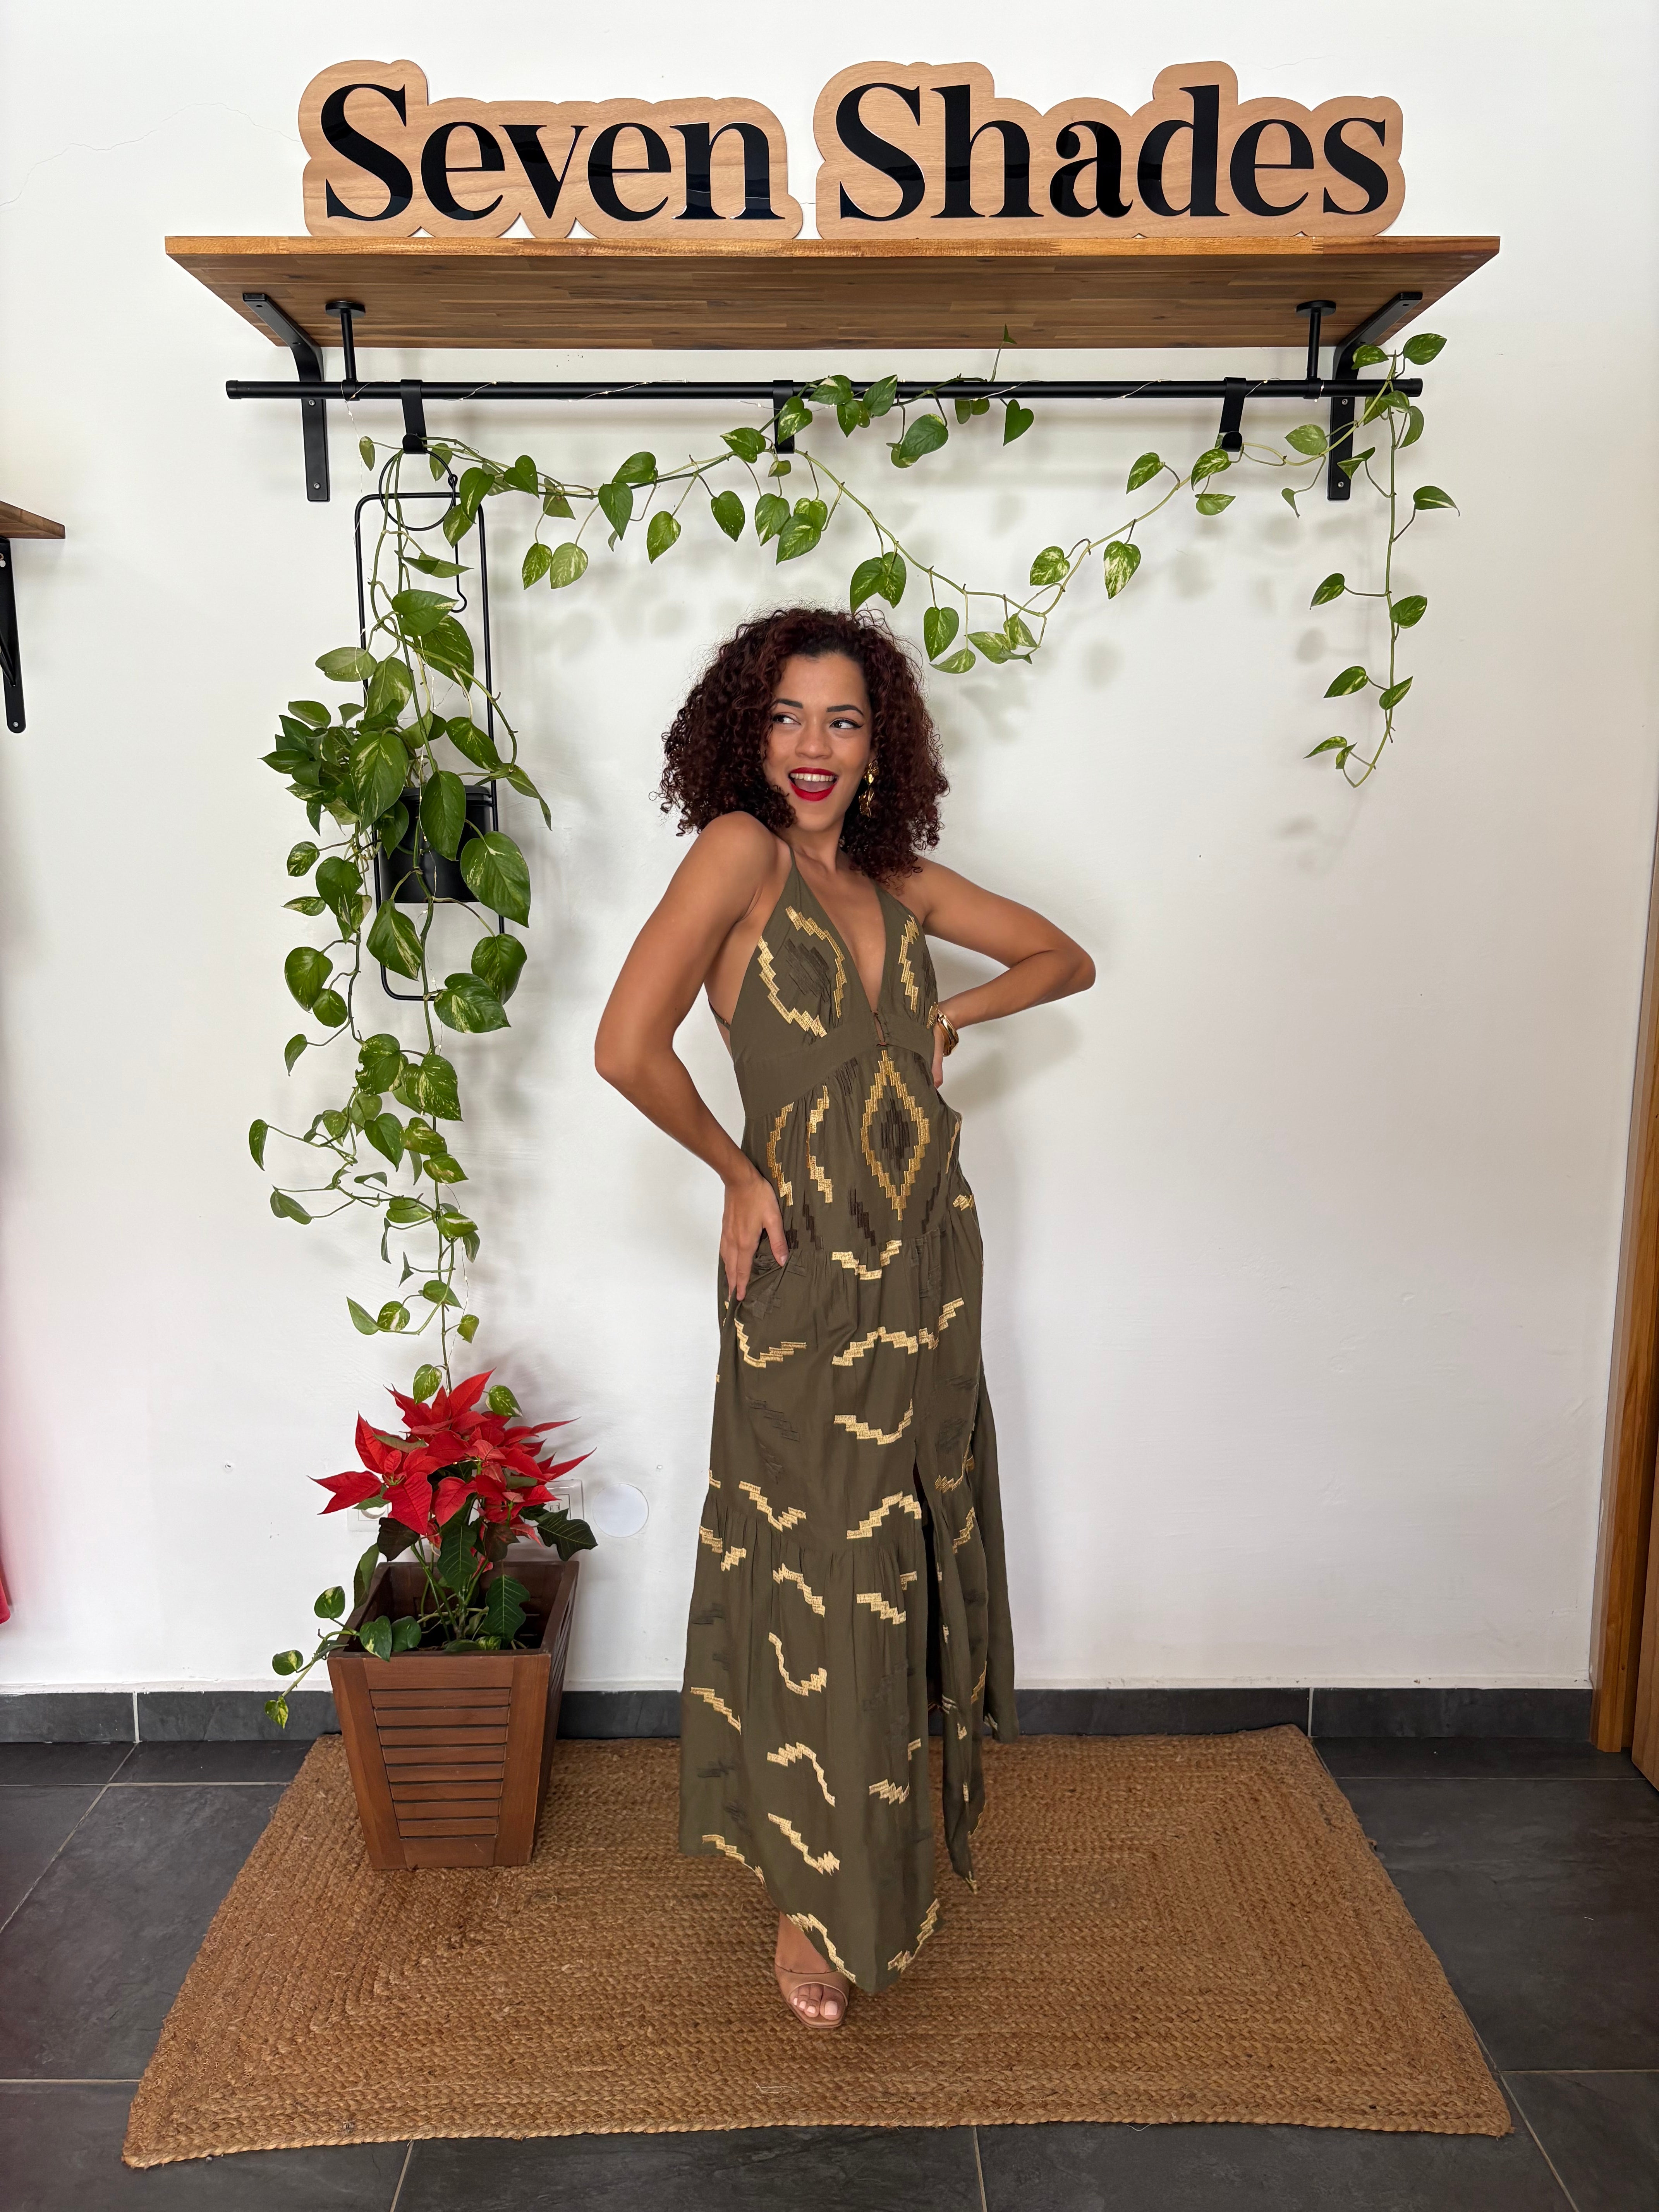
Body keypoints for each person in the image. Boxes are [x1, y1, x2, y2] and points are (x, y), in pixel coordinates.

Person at [595, 606, 1094, 2027]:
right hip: (808, 1269)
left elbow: (1064, 960)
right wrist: (735, 1170)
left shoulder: (898, 877)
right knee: (818, 1566)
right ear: (743, 733)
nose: (812, 747)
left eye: (843, 720)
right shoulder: (737, 855)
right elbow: (625, 1047)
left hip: (928, 1262)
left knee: (899, 1557)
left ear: (882, 746)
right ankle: (807, 1894)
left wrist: (950, 1020)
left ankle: (871, 1849)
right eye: (785, 717)